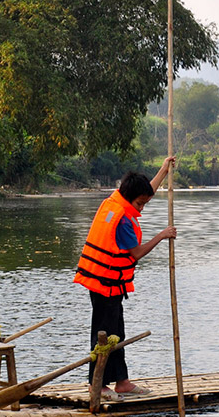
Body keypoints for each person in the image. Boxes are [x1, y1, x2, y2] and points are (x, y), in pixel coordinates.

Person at [74, 157, 177, 400]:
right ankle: (97, 385)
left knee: (117, 333)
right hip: (104, 284)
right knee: (103, 335)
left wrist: (164, 169)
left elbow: (146, 192)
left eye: (144, 203)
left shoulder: (116, 200)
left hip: (110, 283)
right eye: (140, 204)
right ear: (130, 198)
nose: (141, 209)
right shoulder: (121, 220)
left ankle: (121, 382)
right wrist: (162, 235)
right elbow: (137, 253)